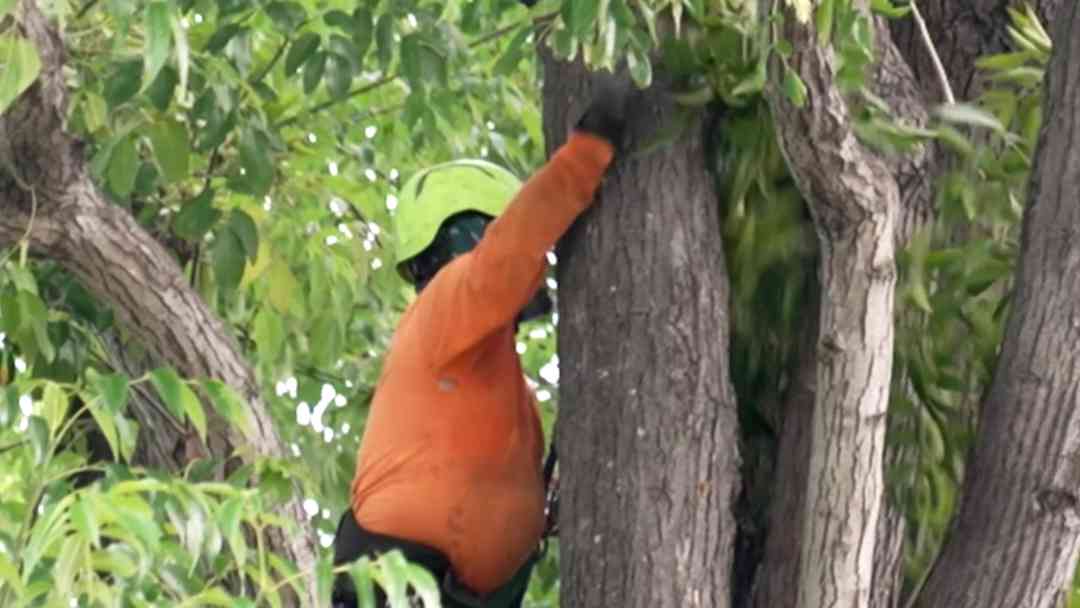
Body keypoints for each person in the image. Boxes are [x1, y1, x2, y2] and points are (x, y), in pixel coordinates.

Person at [331, 89, 627, 608]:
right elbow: (507, 258)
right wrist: (584, 158)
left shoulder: (489, 374)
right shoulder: (448, 301)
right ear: (476, 233)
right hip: (402, 583)